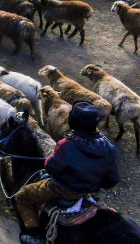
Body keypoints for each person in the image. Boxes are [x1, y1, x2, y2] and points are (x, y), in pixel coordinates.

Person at [15, 101, 121, 244]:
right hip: (91, 193)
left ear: (73, 121)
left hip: (63, 190)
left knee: (22, 196)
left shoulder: (67, 144)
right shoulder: (109, 147)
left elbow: (51, 167)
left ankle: (35, 235)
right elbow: (112, 180)